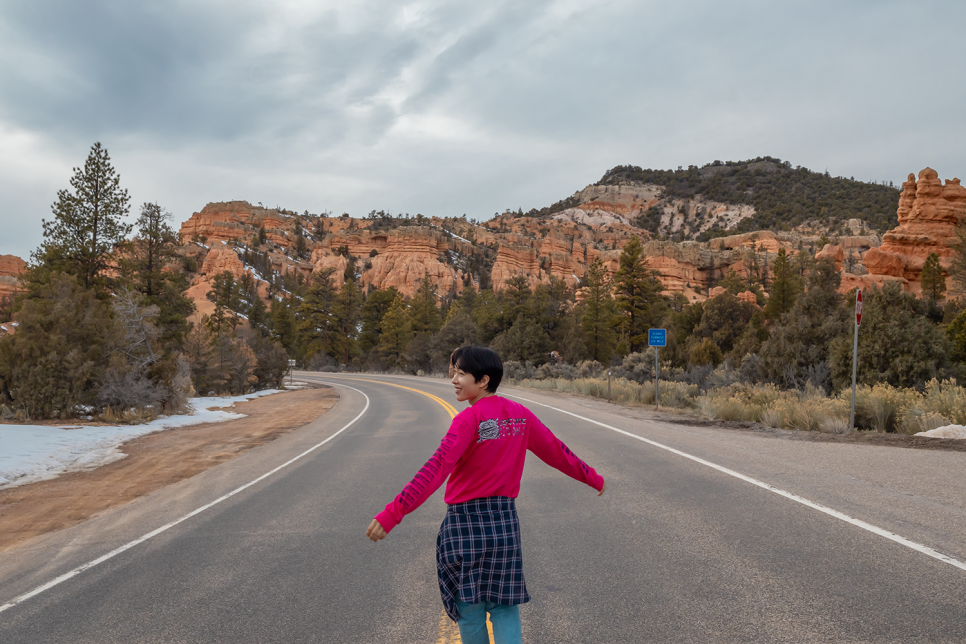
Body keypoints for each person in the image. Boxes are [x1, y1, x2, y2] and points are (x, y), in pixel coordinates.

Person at [366, 346, 605, 644]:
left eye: (461, 373)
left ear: (483, 381)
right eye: (454, 372)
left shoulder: (468, 420)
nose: (454, 379)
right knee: (504, 607)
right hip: (504, 525)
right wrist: (593, 478)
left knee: (470, 608)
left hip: (464, 524)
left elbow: (436, 468)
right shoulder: (520, 416)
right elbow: (558, 452)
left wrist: (393, 513)